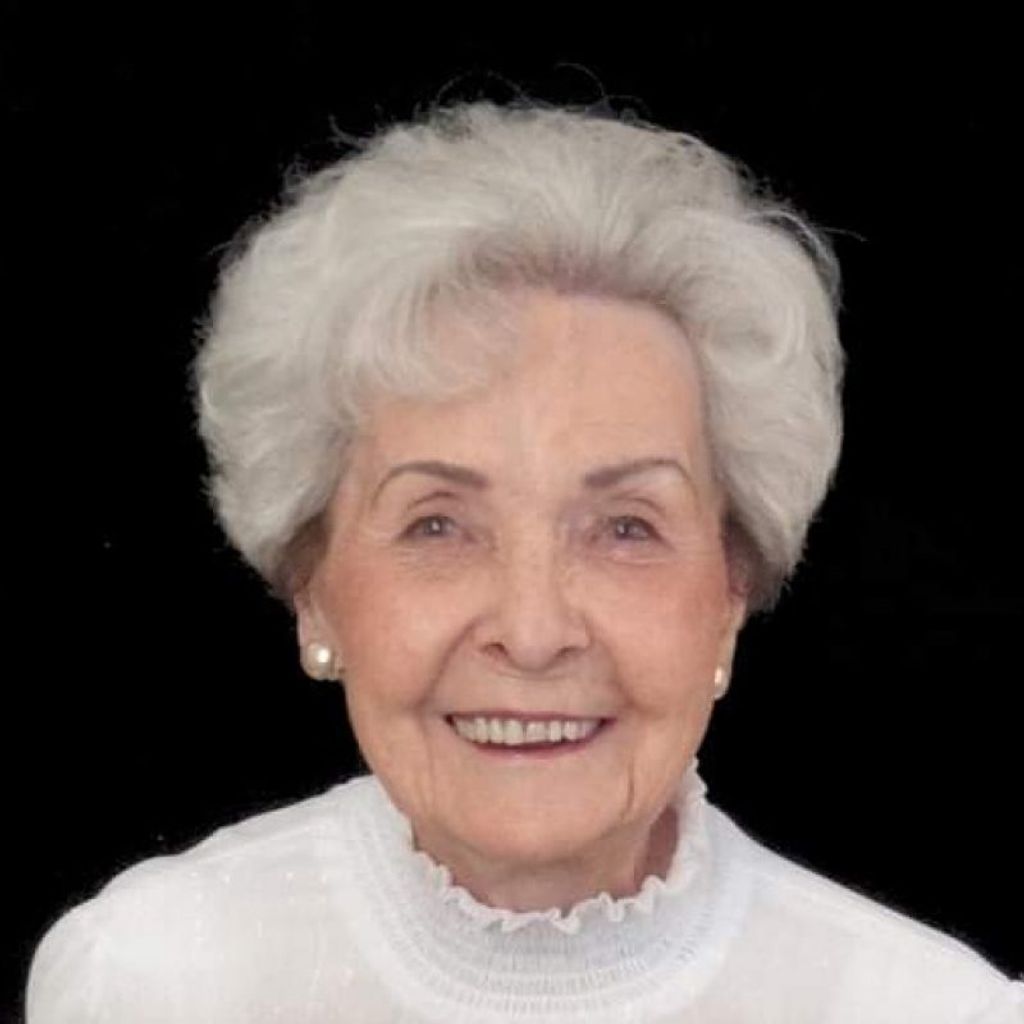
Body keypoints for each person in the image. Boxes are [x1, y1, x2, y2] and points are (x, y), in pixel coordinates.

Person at [25, 99, 1023, 1023]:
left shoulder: (930, 1010)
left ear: (730, 589)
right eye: (438, 526)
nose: (534, 632)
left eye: (624, 527)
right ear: (314, 589)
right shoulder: (150, 978)